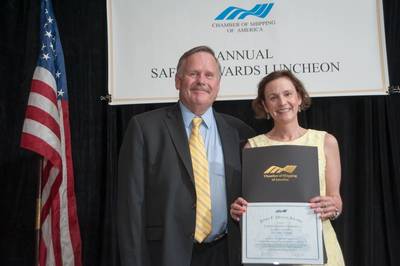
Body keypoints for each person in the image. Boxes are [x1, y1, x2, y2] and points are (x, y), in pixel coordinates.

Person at [117, 46, 255, 266]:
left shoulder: (240, 132)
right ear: (178, 81)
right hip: (165, 255)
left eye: (209, 75)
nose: (202, 80)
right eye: (193, 74)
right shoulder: (145, 128)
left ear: (218, 85)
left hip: (227, 253)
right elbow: (130, 206)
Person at [230, 70, 345, 265]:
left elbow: (336, 200)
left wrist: (332, 208)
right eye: (273, 97)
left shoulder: (325, 142)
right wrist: (239, 211)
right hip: (269, 252)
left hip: (319, 249)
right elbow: (249, 206)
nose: (282, 102)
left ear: (299, 97)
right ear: (265, 106)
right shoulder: (252, 147)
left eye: (288, 94)